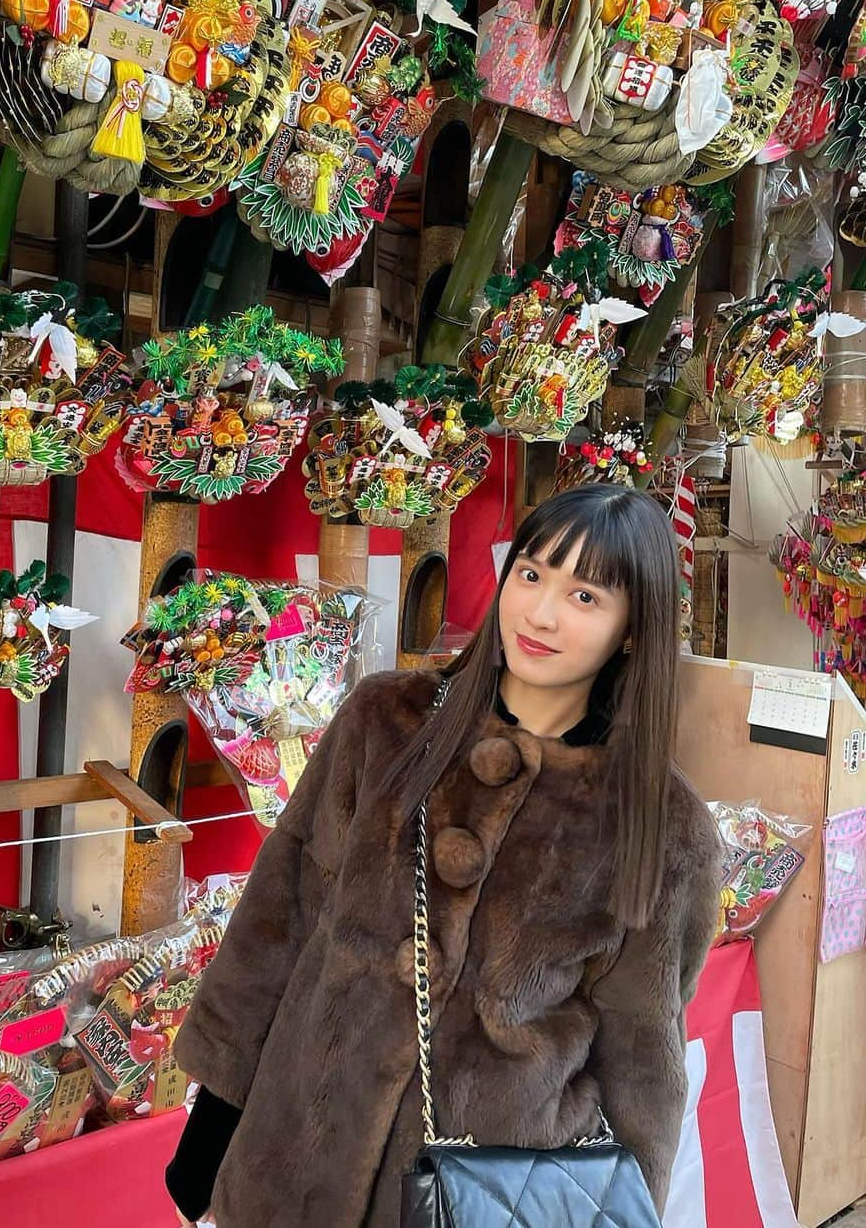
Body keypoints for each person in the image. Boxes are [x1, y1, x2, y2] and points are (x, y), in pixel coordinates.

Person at [166, 483, 723, 1227]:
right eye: (531, 574)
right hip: (299, 1164)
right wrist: (207, 1146)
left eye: (586, 595)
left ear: (632, 628)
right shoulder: (385, 722)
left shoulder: (663, 825)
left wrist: (622, 1208)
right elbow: (278, 927)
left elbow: (642, 1057)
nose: (542, 613)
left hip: (493, 1191)